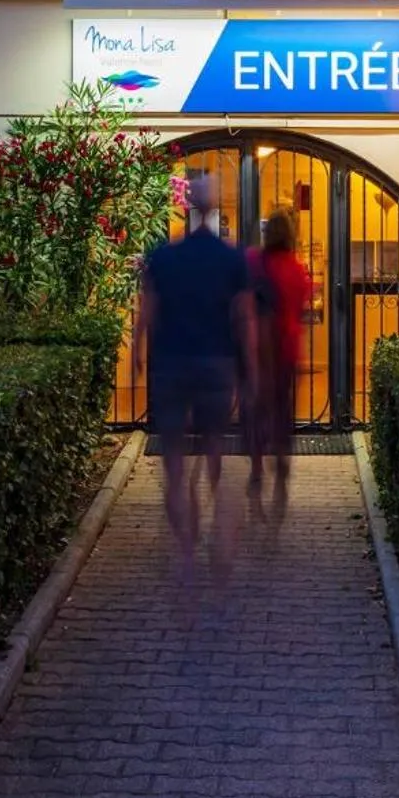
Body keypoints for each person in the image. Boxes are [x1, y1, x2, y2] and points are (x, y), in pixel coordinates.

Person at [139, 171, 255, 577]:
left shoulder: (163, 257)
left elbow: (148, 312)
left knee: (171, 458)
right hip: (215, 365)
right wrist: (248, 370)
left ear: (187, 206)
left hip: (171, 366)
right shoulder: (232, 258)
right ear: (215, 207)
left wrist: (140, 355)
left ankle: (185, 547)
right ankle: (213, 529)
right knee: (213, 448)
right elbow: (243, 319)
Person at [245, 210, 312, 516]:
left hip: (256, 353)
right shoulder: (298, 270)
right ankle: (282, 463)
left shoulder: (252, 262)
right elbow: (302, 307)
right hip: (286, 352)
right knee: (282, 412)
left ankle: (257, 468)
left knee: (257, 411)